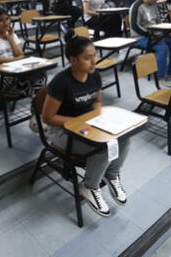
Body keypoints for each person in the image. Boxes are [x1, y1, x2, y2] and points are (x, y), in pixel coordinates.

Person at [41, 30, 130, 216]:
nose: (94, 61)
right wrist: (81, 122)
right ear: (73, 60)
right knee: (103, 147)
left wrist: (99, 119)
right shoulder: (61, 82)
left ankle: (111, 175)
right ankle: (89, 186)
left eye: (94, 55)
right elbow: (48, 118)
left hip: (85, 125)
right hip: (61, 131)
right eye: (87, 58)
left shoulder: (94, 75)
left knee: (124, 139)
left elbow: (97, 101)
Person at [0, 7, 45, 95]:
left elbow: (20, 54)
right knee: (34, 84)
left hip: (17, 72)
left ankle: (37, 100)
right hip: (0, 77)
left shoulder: (11, 35)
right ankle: (36, 100)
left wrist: (10, 39)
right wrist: (16, 59)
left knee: (41, 75)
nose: (6, 23)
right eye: (1, 21)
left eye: (7, 19)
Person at [130, 0, 171, 86]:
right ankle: (160, 76)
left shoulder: (154, 5)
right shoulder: (137, 6)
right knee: (162, 48)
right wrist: (150, 34)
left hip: (155, 35)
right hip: (140, 37)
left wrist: (166, 33)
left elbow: (159, 22)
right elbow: (135, 26)